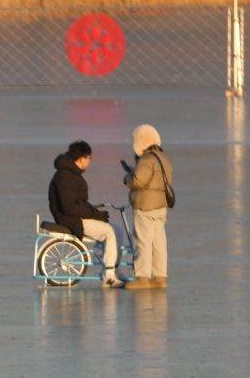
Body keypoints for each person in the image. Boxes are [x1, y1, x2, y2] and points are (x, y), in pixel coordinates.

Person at [49, 140, 123, 289]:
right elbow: (69, 207)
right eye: (89, 158)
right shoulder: (66, 176)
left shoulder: (71, 173)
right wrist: (95, 215)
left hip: (73, 216)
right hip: (70, 219)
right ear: (81, 158)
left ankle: (112, 270)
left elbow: (79, 203)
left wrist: (95, 213)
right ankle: (109, 277)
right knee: (109, 232)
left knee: (117, 230)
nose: (89, 161)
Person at [122, 123, 173, 290]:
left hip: (145, 207)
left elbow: (138, 181)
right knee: (159, 243)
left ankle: (142, 278)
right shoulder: (163, 158)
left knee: (142, 241)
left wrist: (128, 176)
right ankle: (160, 277)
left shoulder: (146, 160)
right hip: (160, 206)